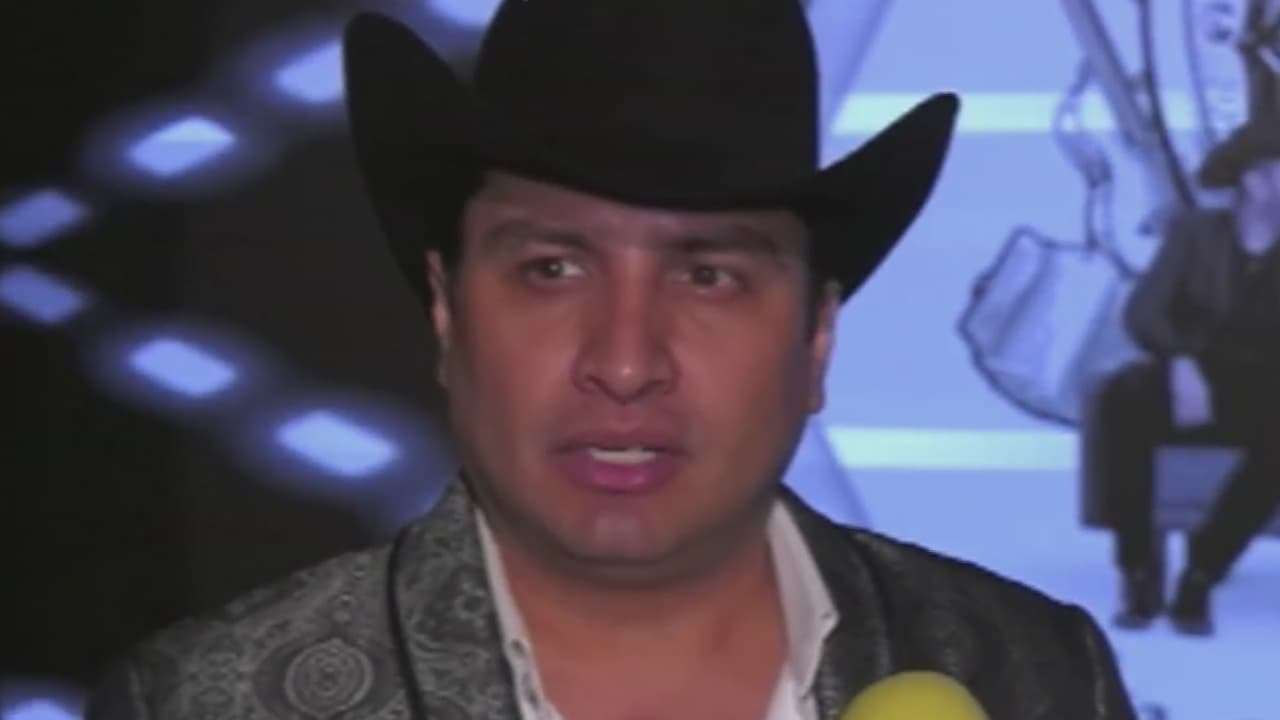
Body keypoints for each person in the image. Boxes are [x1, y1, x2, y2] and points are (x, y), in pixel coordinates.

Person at [86, 1, 1137, 717]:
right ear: (447, 311)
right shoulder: (209, 701)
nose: (625, 363)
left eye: (709, 275)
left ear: (816, 339)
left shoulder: (1034, 678)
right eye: (552, 269)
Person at [1095, 116, 1280, 635]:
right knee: (1122, 398)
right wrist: (1183, 362)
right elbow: (1143, 312)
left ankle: (1201, 576)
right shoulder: (1196, 234)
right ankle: (1139, 572)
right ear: (1253, 179)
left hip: (1267, 390)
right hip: (1191, 377)